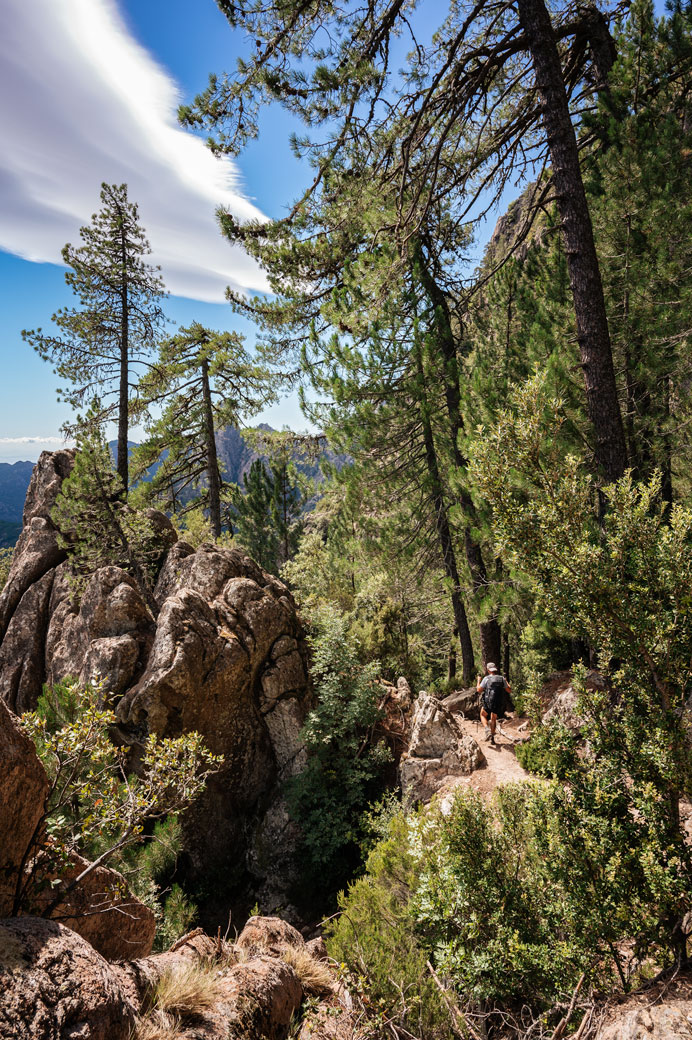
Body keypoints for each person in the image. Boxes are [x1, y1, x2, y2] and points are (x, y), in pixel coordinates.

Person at [477, 662, 512, 745]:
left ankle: (487, 729)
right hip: (498, 702)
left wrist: (478, 681)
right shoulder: (501, 679)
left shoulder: (486, 678)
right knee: (493, 719)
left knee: (482, 715)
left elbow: (479, 690)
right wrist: (506, 681)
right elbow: (509, 690)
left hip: (488, 702)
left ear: (488, 670)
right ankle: (492, 737)